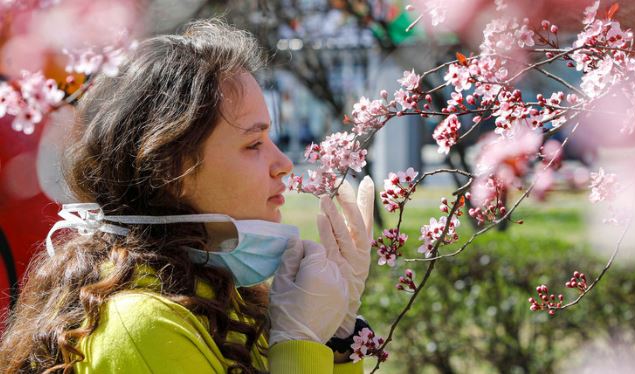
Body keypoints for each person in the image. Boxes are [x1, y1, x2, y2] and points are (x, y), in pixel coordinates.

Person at [0, 18, 375, 373]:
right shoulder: (140, 326)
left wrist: (337, 338)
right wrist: (298, 342)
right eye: (254, 144)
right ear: (171, 170)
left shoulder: (218, 292)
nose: (283, 164)